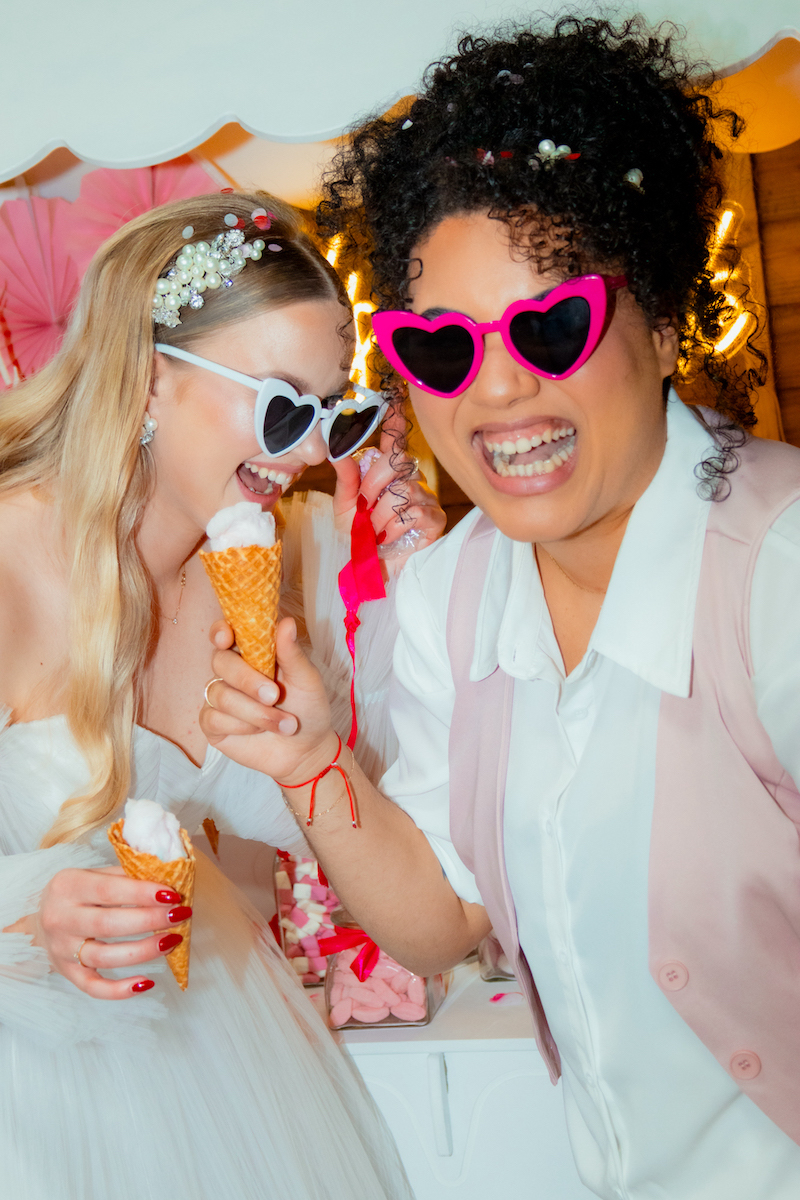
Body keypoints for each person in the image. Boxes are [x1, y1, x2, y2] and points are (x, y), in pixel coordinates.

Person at [200, 18, 800, 1200]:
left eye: (551, 323)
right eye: (439, 347)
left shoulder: (774, 573)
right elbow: (438, 917)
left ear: (664, 320)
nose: (498, 387)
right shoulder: (447, 597)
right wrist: (311, 763)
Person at [0, 188, 443, 1199]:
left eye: (334, 411)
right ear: (152, 380)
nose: (308, 454)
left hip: (219, 1069)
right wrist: (29, 920)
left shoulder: (253, 568)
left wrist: (413, 581)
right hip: (34, 1106)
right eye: (282, 405)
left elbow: (372, 839)